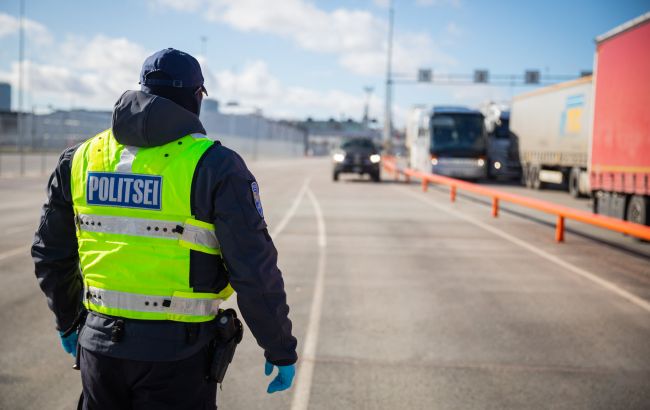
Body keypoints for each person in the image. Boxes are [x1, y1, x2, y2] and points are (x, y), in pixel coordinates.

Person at [32, 48, 298, 409]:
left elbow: (51, 254)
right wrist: (279, 346)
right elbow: (253, 269)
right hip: (179, 356)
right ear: (196, 97)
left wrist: (68, 322)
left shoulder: (80, 159)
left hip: (99, 346)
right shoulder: (215, 165)